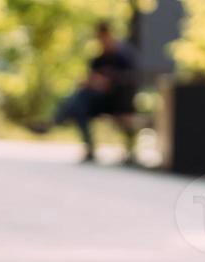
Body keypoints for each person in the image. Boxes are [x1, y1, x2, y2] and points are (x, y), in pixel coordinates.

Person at [53, 21, 140, 164]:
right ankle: (86, 144)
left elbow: (130, 80)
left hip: (118, 101)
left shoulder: (123, 56)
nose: (101, 41)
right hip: (97, 101)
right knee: (80, 105)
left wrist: (107, 82)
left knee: (79, 102)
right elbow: (91, 79)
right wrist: (92, 82)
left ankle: (57, 119)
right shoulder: (98, 59)